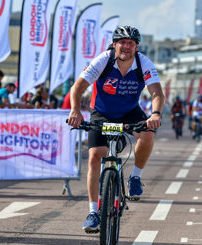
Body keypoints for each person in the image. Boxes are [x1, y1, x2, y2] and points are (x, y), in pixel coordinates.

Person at [67, 25, 164, 232]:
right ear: (114, 44)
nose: (127, 46)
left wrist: (155, 114)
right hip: (102, 113)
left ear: (136, 47)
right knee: (95, 156)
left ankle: (136, 176)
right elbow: (78, 87)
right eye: (123, 42)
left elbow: (157, 93)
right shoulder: (103, 60)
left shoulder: (143, 63)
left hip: (129, 111)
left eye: (131, 43)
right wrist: (75, 111)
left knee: (147, 134)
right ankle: (93, 212)